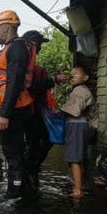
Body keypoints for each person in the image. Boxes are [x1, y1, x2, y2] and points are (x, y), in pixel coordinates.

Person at [0, 10, 36, 201]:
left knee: (13, 155)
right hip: (14, 109)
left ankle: (14, 197)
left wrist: (4, 114)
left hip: (14, 111)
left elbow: (14, 82)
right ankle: (17, 193)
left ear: (6, 28)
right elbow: (2, 84)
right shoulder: (12, 48)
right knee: (13, 155)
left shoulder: (16, 48)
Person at [21, 30, 69, 189]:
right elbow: (31, 89)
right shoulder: (20, 66)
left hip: (39, 112)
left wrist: (51, 107)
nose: (39, 48)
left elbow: (42, 92)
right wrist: (53, 80)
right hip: (26, 113)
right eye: (38, 45)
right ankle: (27, 174)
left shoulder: (38, 69)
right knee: (31, 144)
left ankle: (32, 170)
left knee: (47, 140)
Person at [60, 66, 98, 199]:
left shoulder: (81, 90)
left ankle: (77, 190)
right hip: (79, 125)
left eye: (75, 75)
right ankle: (79, 185)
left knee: (74, 158)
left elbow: (74, 110)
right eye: (71, 75)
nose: (71, 77)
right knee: (77, 158)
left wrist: (57, 111)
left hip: (77, 125)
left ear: (85, 78)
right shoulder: (78, 90)